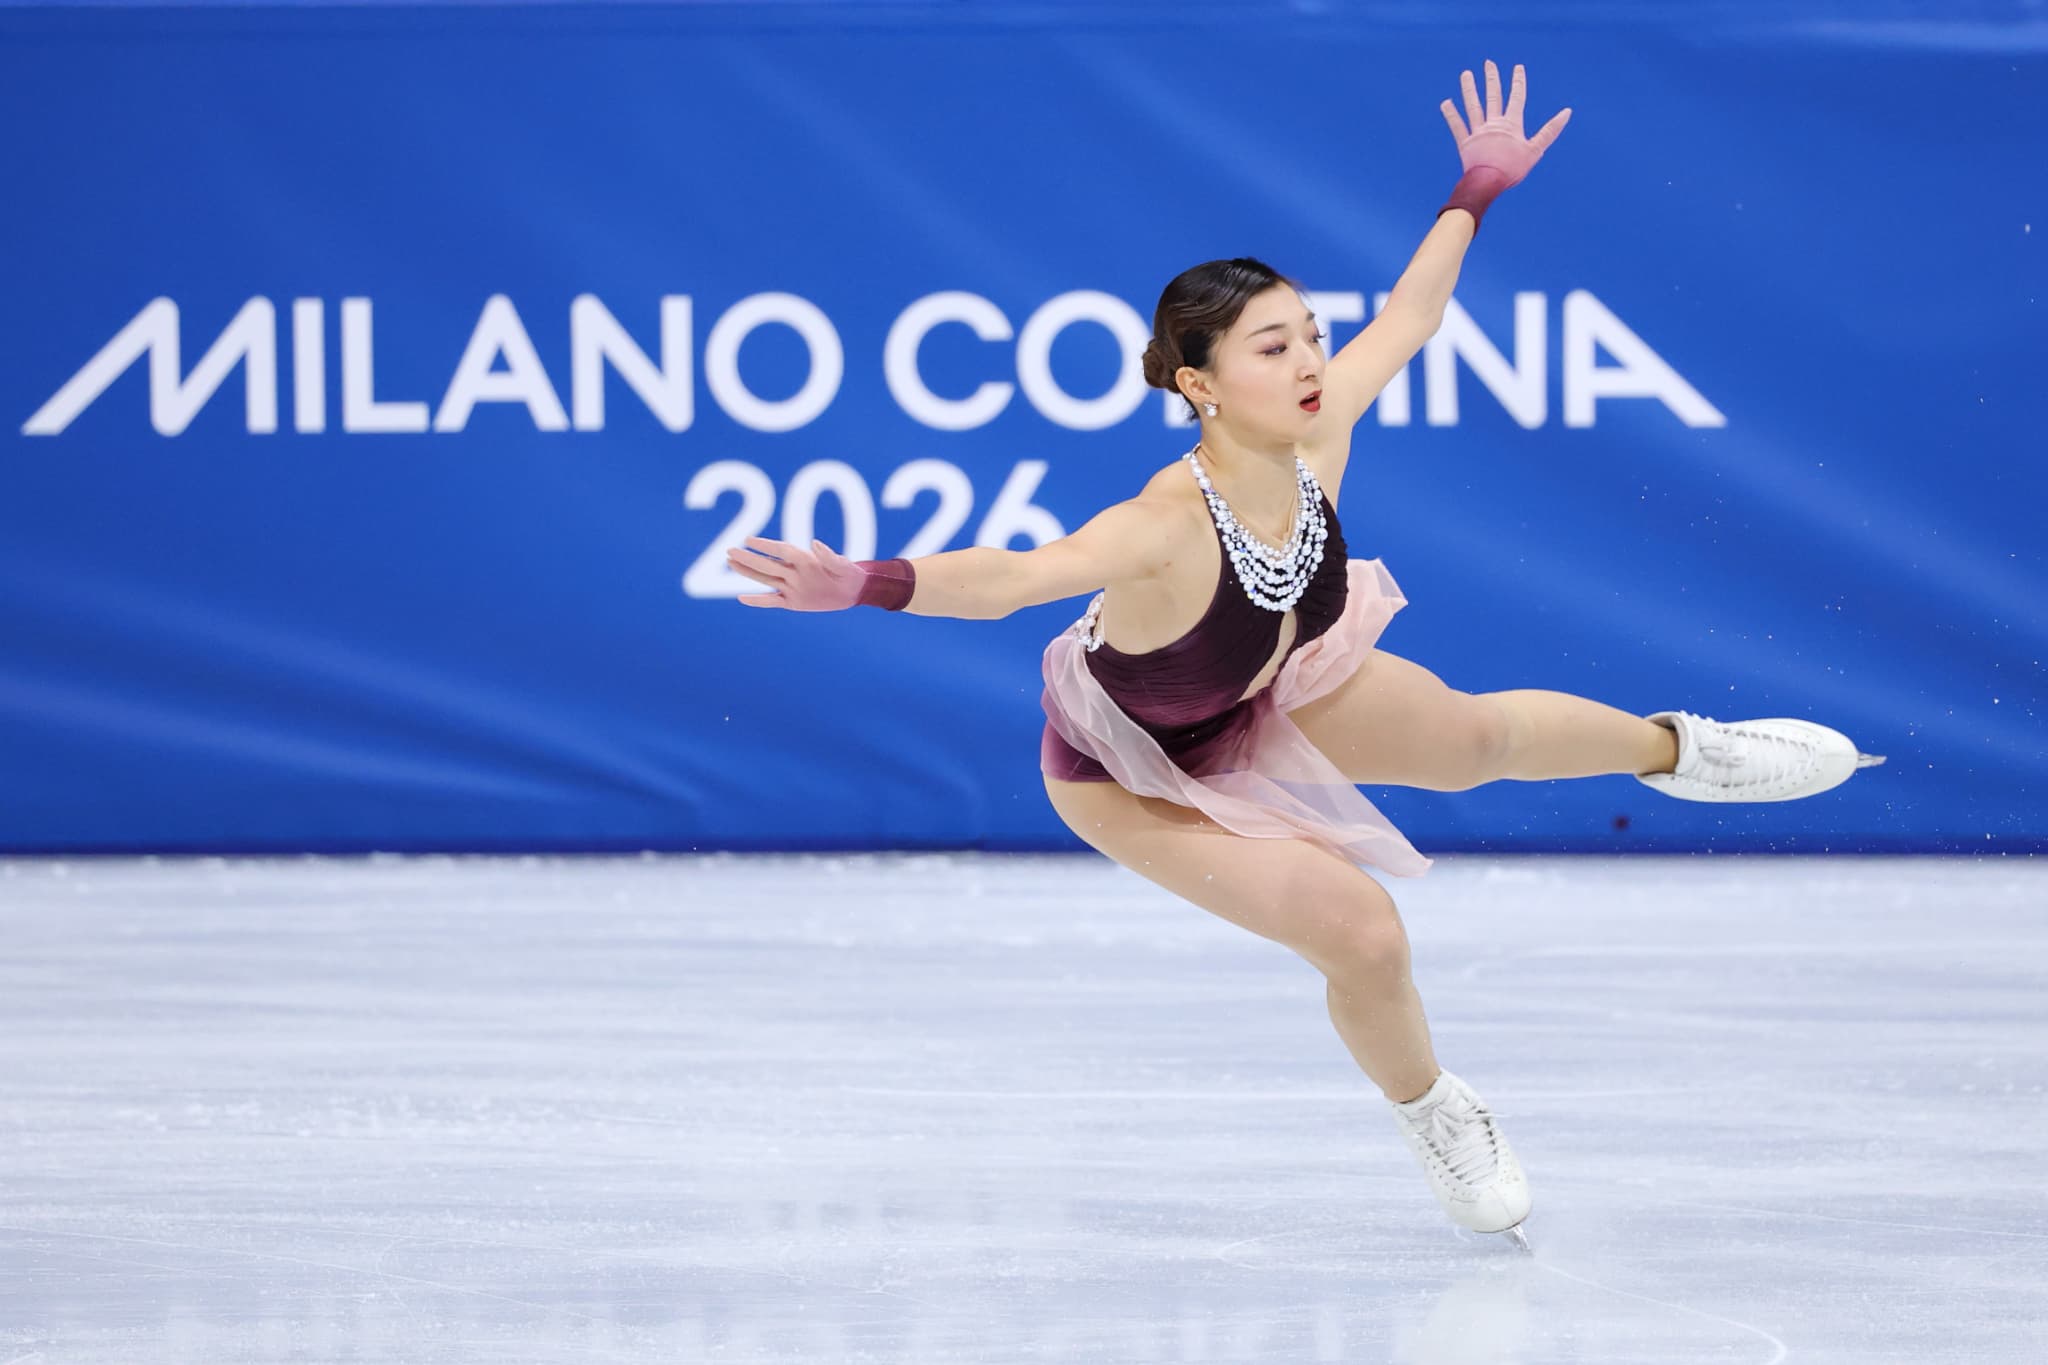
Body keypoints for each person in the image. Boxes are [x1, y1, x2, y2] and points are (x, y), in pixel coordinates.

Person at [725, 60, 1883, 1245]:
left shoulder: (1315, 440)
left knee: (1476, 738)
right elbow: (1014, 579)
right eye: (1272, 349)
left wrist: (1474, 187)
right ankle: (1432, 1109)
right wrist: (861, 583)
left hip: (1278, 675)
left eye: (1309, 336)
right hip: (1136, 775)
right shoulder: (1159, 524)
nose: (1311, 363)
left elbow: (1411, 316)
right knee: (1364, 935)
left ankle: (1685, 750)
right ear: (1200, 384)